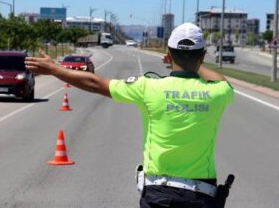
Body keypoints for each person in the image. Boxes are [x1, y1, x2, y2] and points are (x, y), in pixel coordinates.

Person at [25, 22, 234, 208]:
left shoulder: (148, 87)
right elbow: (221, 80)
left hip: (159, 195)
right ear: (203, 55)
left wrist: (55, 69)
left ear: (168, 55)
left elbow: (95, 83)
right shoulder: (218, 92)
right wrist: (196, 64)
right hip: (201, 196)